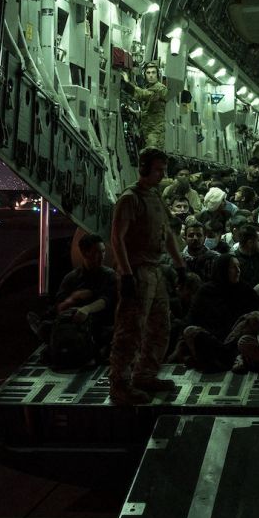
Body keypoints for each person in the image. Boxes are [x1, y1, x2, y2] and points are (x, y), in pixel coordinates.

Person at [108, 147, 188, 405]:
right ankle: (120, 384)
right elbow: (116, 239)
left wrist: (180, 266)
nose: (161, 175)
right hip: (138, 271)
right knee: (130, 329)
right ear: (143, 169)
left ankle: (145, 374)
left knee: (159, 325)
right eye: (157, 170)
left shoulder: (155, 197)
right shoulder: (130, 199)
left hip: (154, 270)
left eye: (164, 170)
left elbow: (168, 235)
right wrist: (127, 274)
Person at [28, 233, 116, 356]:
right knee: (49, 326)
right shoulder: (72, 278)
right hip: (72, 321)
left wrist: (86, 309)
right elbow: (60, 307)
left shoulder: (109, 275)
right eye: (96, 252)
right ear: (85, 253)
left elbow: (106, 300)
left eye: (103, 252)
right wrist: (73, 299)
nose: (101, 256)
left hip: (98, 321)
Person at [172, 254, 259, 371]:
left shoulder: (244, 290)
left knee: (255, 317)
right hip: (213, 340)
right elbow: (191, 319)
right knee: (190, 331)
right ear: (222, 270)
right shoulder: (206, 291)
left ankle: (221, 360)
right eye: (233, 267)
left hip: (234, 339)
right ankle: (227, 360)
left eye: (238, 267)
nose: (238, 271)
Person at [123, 61, 169, 150]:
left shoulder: (161, 89)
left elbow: (146, 95)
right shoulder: (147, 88)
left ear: (157, 75)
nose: (151, 75)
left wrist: (128, 84)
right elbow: (148, 112)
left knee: (152, 159)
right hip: (145, 133)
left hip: (155, 133)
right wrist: (135, 112)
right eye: (148, 73)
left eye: (153, 72)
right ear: (145, 75)